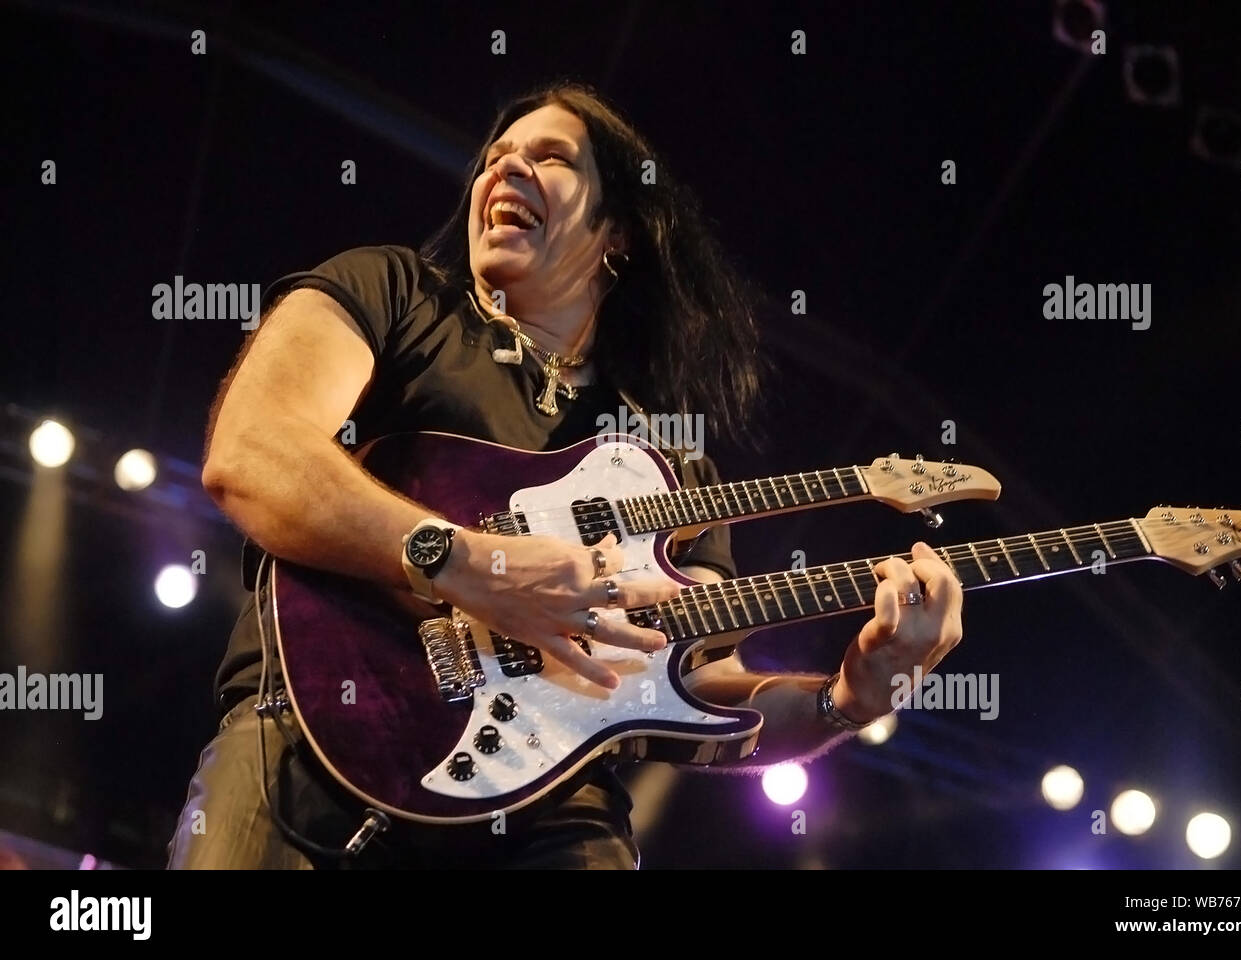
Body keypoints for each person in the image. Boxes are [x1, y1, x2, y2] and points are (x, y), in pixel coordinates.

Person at [166, 82, 964, 869]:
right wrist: (472, 565)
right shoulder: (395, 292)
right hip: (313, 747)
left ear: (617, 232)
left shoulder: (671, 464)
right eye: (495, 157)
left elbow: (704, 689)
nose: (504, 170)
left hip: (555, 813)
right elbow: (253, 453)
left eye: (548, 158)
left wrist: (853, 696)